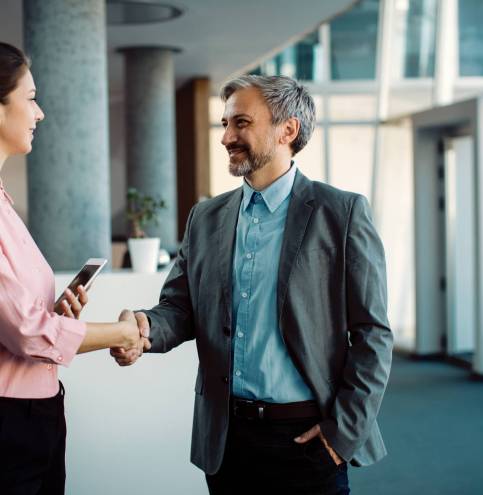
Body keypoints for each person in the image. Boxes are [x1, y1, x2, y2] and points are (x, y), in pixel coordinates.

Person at [112, 75, 393, 494]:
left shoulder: (342, 213)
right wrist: (144, 328)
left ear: (288, 130)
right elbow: (180, 308)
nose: (226, 136)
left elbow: (373, 334)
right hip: (228, 440)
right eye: (224, 123)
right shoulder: (205, 218)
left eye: (241, 122)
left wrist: (342, 433)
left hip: (308, 440)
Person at [0, 41, 149, 495]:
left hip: (37, 415)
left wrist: (59, 316)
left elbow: (23, 319)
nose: (40, 112)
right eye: (30, 98)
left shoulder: (4, 202)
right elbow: (26, 331)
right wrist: (122, 333)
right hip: (10, 426)